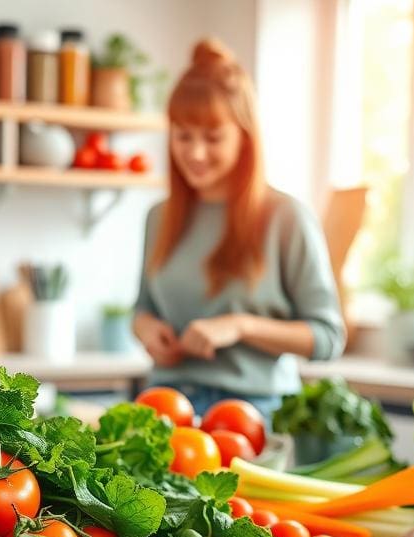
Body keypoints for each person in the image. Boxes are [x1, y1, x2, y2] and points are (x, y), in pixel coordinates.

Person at [133, 38, 346, 421]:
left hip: (253, 412)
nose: (195, 153)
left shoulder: (286, 217)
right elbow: (143, 309)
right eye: (183, 136)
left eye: (213, 137)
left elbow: (328, 338)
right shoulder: (159, 217)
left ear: (244, 136)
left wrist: (240, 326)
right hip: (164, 405)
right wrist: (148, 330)